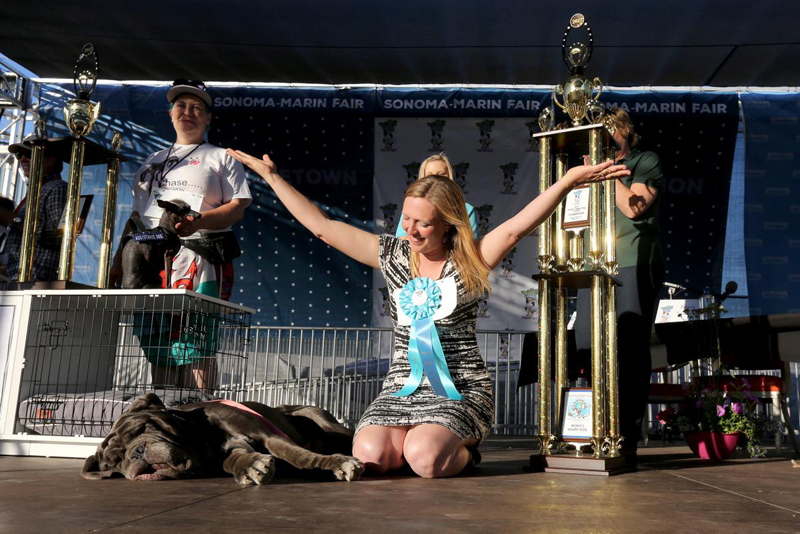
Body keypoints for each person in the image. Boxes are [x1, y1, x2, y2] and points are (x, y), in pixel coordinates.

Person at [227, 146, 629, 478]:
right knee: (370, 455)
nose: (412, 230)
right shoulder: (393, 254)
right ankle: (413, 437)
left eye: (424, 224)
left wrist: (567, 181)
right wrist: (273, 177)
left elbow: (515, 229)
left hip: (459, 386)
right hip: (402, 387)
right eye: (407, 219)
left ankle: (466, 451)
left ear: (448, 225)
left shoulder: (471, 257)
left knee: (425, 459)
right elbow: (322, 226)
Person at [110, 79, 252, 389]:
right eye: (181, 106)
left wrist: (197, 222)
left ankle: (197, 414)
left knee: (195, 342)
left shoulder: (221, 157)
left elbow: (238, 207)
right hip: (151, 258)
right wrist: (120, 261)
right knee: (157, 345)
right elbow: (136, 216)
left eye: (197, 108)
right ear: (170, 113)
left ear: (209, 117)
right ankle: (164, 414)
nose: (188, 112)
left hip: (199, 256)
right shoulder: (152, 160)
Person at [576, 107, 663, 459]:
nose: (603, 138)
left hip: (633, 262)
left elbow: (633, 207)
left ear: (624, 132)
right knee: (585, 345)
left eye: (608, 131)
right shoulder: (584, 170)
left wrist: (604, 173)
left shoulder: (645, 160)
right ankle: (590, 428)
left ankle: (626, 435)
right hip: (591, 264)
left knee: (628, 349)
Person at [3, 141, 67, 282]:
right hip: (20, 277)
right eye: (20, 155)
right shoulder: (35, 191)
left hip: (36, 279)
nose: (22, 159)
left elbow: (58, 236)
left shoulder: (57, 188)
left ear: (51, 160)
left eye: (30, 154)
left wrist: (13, 219)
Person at [396, 153, 479, 238]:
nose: (435, 178)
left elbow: (471, 245)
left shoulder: (467, 210)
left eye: (441, 174)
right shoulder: (411, 206)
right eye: (430, 175)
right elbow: (401, 240)